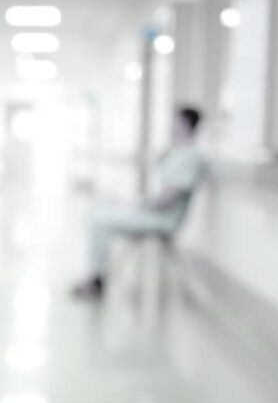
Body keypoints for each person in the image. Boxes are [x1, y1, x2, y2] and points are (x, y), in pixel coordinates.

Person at [72, 106, 206, 300]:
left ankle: (95, 281)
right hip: (153, 212)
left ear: (185, 124)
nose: (170, 126)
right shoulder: (177, 152)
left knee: (98, 220)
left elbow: (169, 197)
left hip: (163, 219)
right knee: (100, 210)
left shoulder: (191, 157)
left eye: (175, 122)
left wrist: (140, 206)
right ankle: (95, 277)